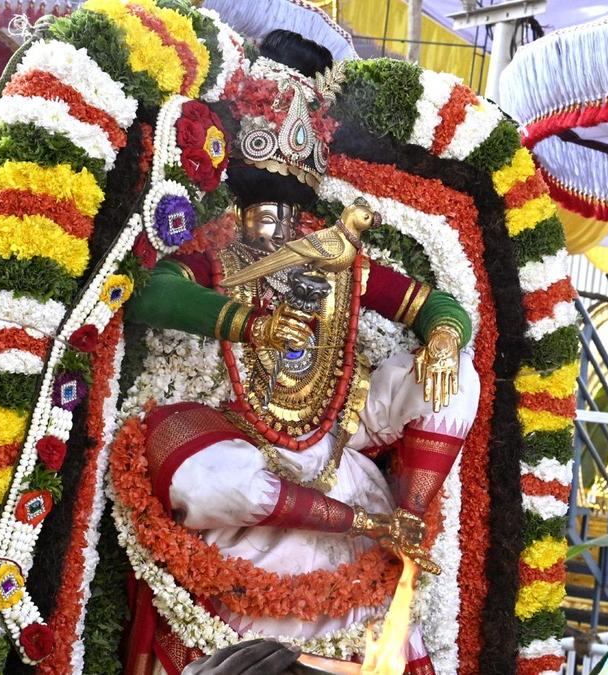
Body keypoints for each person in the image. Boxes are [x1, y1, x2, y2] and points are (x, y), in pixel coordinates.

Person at [120, 30, 479, 674]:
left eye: (285, 217)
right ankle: (369, 528)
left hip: (338, 431)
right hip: (239, 433)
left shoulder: (341, 262)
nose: (275, 230)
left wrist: (446, 339)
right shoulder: (219, 255)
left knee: (457, 381)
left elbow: (437, 307)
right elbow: (152, 292)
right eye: (262, 213)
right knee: (210, 481)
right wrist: (249, 325)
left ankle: (407, 521)